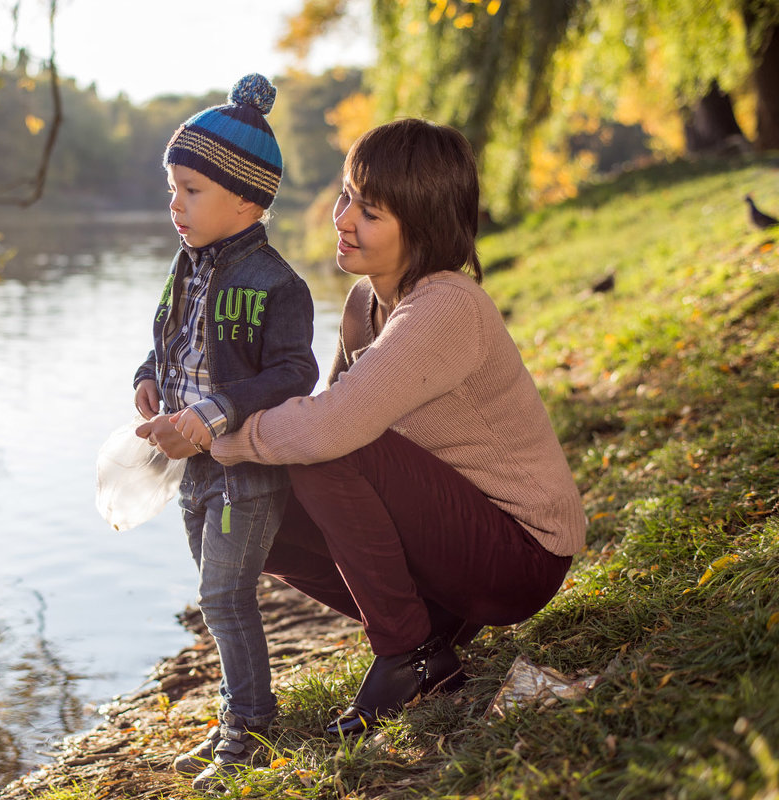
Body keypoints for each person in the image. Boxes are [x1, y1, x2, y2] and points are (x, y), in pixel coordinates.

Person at [171, 118, 587, 737]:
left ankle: (410, 658)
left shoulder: (446, 307)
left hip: (520, 555)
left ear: (421, 227)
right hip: (454, 549)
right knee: (265, 507)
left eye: (370, 212)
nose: (341, 219)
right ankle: (426, 632)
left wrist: (217, 433)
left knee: (326, 449)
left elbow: (326, 432)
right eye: (346, 196)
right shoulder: (365, 304)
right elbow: (318, 422)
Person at [132, 74, 319, 787]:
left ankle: (254, 730)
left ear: (246, 198)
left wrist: (209, 415)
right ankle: (236, 715)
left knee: (223, 596)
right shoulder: (184, 270)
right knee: (214, 593)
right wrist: (147, 377)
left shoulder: (278, 285)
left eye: (191, 190)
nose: (174, 204)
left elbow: (293, 374)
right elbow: (167, 343)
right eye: (172, 188)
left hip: (247, 467)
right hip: (193, 468)